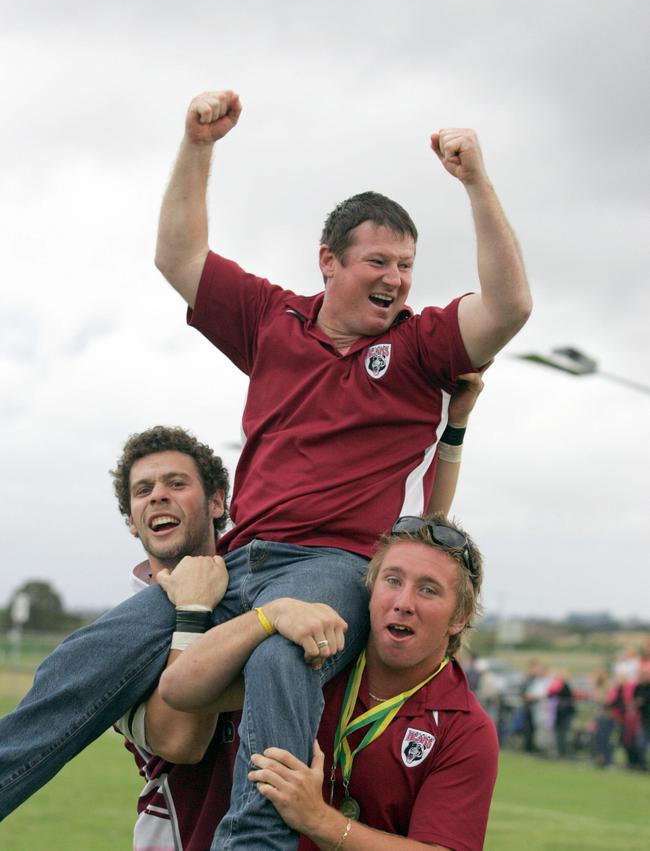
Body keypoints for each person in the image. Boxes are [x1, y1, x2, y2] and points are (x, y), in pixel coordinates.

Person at [0, 85, 528, 851]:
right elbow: (177, 256)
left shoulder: (420, 348)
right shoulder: (272, 320)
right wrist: (197, 144)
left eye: (408, 266)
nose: (398, 279)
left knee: (288, 653)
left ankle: (254, 842)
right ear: (329, 262)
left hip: (333, 565)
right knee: (80, 660)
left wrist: (477, 181)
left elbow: (509, 306)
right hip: (236, 559)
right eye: (379, 261)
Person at [117, 380, 484, 851]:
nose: (159, 498)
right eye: (143, 490)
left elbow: (422, 549)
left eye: (177, 484)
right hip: (174, 836)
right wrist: (210, 613)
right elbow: (182, 734)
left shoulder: (287, 601)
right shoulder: (125, 638)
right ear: (129, 517)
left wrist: (452, 427)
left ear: (218, 503)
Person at [130, 513, 497, 851]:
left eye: (428, 590)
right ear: (370, 590)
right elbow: (180, 689)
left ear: (459, 618)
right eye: (393, 580)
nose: (403, 602)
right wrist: (269, 615)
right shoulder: (316, 658)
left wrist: (319, 820)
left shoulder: (465, 727)